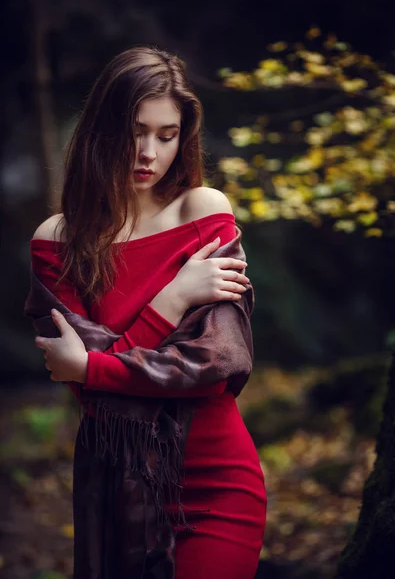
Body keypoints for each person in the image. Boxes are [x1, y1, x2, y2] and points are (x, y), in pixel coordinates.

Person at [28, 45, 267, 579]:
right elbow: (93, 398)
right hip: (114, 489)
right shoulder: (56, 241)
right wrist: (173, 299)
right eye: (137, 131)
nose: (149, 152)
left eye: (167, 134)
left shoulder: (205, 211)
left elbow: (211, 370)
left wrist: (93, 365)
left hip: (215, 482)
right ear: (102, 129)